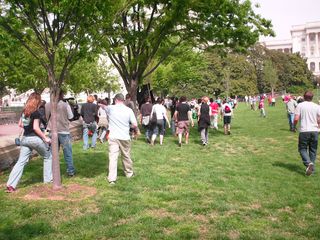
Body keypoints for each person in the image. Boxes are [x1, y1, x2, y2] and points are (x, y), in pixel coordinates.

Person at [6, 92, 52, 192]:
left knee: (21, 162)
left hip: (25, 139)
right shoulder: (36, 113)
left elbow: (20, 124)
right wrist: (45, 138)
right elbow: (36, 128)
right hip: (34, 139)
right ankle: (48, 181)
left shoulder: (25, 111)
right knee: (48, 156)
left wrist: (28, 127)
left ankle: (10, 185)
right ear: (38, 101)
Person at [103, 93, 138, 184]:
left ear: (115, 100)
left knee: (113, 157)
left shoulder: (110, 108)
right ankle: (129, 173)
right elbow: (135, 124)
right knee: (126, 155)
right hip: (124, 136)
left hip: (113, 136)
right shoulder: (128, 110)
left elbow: (103, 106)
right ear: (123, 100)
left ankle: (112, 179)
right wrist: (128, 125)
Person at [45, 91, 76, 177]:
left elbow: (46, 117)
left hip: (52, 131)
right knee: (67, 152)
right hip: (64, 131)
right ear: (62, 95)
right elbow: (71, 117)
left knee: (53, 153)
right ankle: (70, 171)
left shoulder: (47, 105)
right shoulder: (66, 105)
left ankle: (52, 172)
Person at [294, 91, 320, 176]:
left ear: (304, 97)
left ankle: (308, 163)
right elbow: (319, 119)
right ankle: (311, 170)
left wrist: (294, 126)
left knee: (302, 149)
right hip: (315, 130)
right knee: (313, 150)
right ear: (312, 97)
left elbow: (296, 118)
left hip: (304, 130)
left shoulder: (300, 105)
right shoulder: (317, 106)